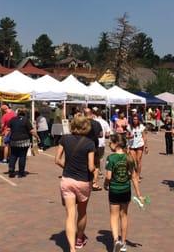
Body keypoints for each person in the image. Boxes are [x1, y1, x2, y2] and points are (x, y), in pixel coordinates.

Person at [55, 115, 96, 252]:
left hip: (67, 180)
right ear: (86, 127)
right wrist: (95, 171)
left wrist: (67, 167)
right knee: (82, 212)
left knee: (70, 214)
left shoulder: (65, 139)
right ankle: (79, 238)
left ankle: (72, 248)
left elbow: (57, 159)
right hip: (83, 180)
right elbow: (91, 166)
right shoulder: (89, 143)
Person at [104, 133, 144, 252]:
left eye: (110, 142)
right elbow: (134, 177)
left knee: (114, 216)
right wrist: (139, 195)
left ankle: (116, 240)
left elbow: (109, 176)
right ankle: (124, 242)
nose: (109, 144)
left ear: (116, 144)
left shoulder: (111, 158)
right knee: (124, 215)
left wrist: (105, 184)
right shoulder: (129, 157)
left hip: (115, 190)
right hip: (126, 190)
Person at [8, 108, 38, 178]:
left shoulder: (12, 119)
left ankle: (11, 171)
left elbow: (8, 129)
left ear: (17, 113)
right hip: (24, 141)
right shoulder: (26, 120)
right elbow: (32, 131)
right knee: (22, 156)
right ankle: (21, 173)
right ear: (24, 114)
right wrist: (37, 137)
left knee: (13, 156)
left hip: (13, 141)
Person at [83, 107, 104, 191]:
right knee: (96, 164)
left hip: (83, 146)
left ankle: (85, 181)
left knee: (84, 163)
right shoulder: (96, 123)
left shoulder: (82, 123)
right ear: (91, 114)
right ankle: (94, 183)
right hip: (94, 146)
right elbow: (101, 135)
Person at [127, 114, 148, 180]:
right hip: (132, 145)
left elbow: (144, 137)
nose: (135, 121)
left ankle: (138, 175)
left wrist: (146, 146)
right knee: (132, 161)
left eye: (136, 119)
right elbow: (126, 136)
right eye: (133, 119)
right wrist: (129, 137)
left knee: (138, 160)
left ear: (138, 120)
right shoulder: (129, 127)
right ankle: (134, 173)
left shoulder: (141, 127)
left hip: (139, 145)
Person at [93, 107, 111, 180]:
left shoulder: (93, 121)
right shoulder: (104, 122)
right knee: (100, 158)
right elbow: (107, 134)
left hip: (93, 142)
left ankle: (94, 172)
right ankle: (99, 172)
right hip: (101, 143)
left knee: (93, 157)